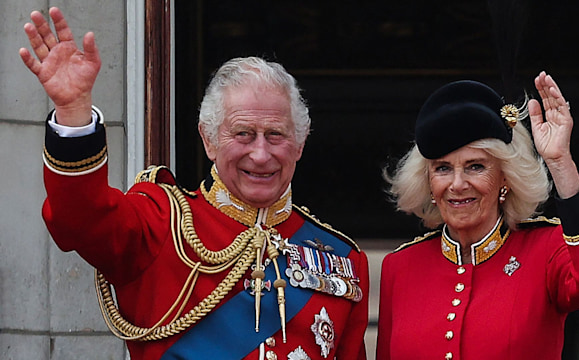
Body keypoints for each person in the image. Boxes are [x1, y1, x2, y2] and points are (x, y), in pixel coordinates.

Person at [20, 7, 369, 360]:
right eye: (243, 134)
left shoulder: (342, 259)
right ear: (208, 139)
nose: (261, 155)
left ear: (301, 143)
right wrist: (74, 112)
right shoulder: (160, 224)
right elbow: (79, 219)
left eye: (276, 135)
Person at [376, 75, 579, 360]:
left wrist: (559, 161)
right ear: (428, 182)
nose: (457, 184)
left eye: (475, 166)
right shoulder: (401, 266)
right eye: (442, 169)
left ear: (505, 177)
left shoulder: (545, 249)